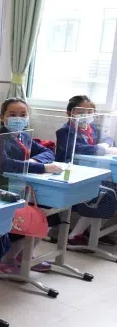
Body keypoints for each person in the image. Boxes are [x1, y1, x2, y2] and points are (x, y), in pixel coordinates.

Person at [0, 98, 63, 274]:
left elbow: (48, 152)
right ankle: (7, 260)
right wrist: (40, 166)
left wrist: (34, 160)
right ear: (2, 117)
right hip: (2, 190)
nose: (18, 119)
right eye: (12, 115)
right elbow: (6, 165)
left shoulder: (24, 136)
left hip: (24, 188)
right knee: (31, 217)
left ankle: (23, 255)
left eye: (23, 115)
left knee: (51, 216)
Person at [54, 95, 115, 246]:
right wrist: (98, 149)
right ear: (70, 113)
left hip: (92, 171)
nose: (87, 115)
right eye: (82, 112)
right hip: (71, 173)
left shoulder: (91, 128)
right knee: (105, 195)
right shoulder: (64, 131)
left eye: (90, 112)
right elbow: (77, 150)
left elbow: (108, 139)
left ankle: (91, 232)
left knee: (112, 191)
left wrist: (104, 146)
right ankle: (75, 235)